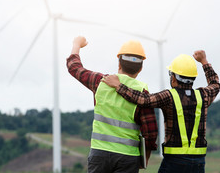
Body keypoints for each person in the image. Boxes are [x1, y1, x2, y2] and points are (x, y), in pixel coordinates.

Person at [102, 50, 220, 173]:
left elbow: (143, 99)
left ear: (173, 78)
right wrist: (204, 61)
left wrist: (118, 86)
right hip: (198, 163)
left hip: (174, 162)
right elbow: (215, 84)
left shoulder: (168, 96)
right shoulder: (203, 95)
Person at [67, 36, 158, 173]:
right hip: (128, 158)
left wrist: (77, 44)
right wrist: (144, 158)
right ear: (140, 68)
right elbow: (150, 133)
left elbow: (74, 67)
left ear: (119, 64)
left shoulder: (100, 82)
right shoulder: (142, 93)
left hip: (99, 155)